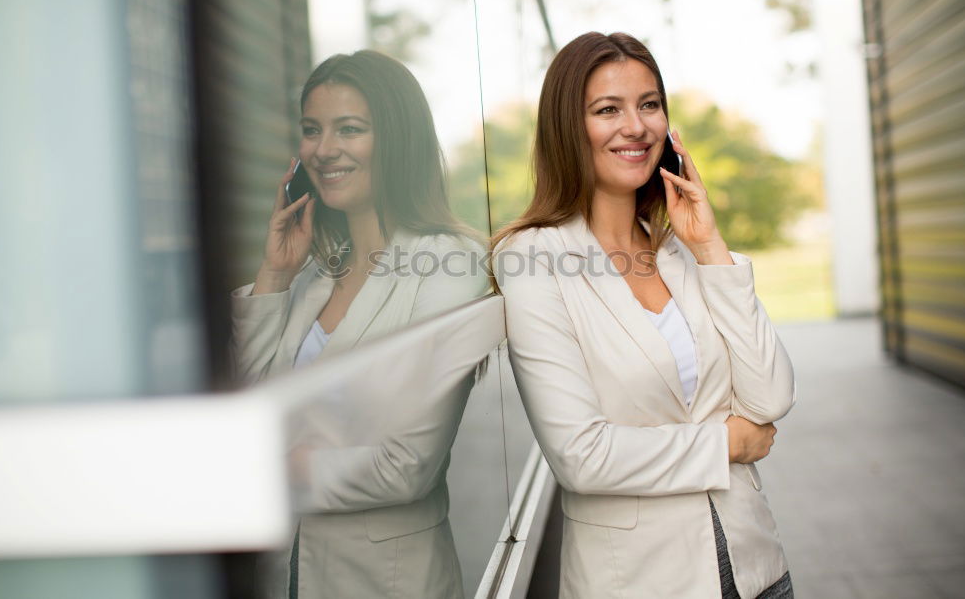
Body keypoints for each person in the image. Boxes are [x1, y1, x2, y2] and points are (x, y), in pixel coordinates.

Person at [491, 32, 795, 598]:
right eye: (608, 109)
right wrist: (725, 444)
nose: (636, 126)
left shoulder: (680, 251)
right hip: (639, 582)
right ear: (567, 129)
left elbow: (771, 398)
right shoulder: (532, 258)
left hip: (756, 570)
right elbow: (582, 457)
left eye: (649, 104)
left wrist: (710, 248)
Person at [230, 49, 486, 598]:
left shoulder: (449, 263)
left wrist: (264, 470)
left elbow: (405, 465)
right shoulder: (314, 276)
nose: (325, 150)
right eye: (312, 130)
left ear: (395, 138)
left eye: (350, 129)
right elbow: (245, 410)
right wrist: (274, 274)